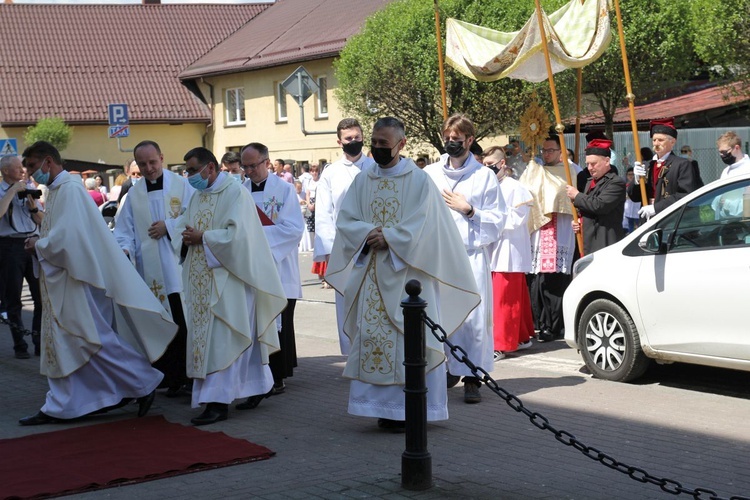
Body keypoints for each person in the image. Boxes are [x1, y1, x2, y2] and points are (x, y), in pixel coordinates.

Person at [326, 117, 479, 430]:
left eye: (385, 143)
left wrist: (391, 238)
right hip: (372, 275)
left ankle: (411, 409)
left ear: (402, 144)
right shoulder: (363, 179)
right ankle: (381, 408)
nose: (378, 149)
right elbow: (347, 219)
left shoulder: (419, 181)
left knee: (409, 341)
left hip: (410, 278)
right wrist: (369, 232)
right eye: (376, 143)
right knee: (373, 338)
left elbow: (428, 228)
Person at [19, 141, 177, 426]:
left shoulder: (69, 190)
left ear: (48, 163)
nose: (30, 173)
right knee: (73, 342)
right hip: (65, 277)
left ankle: (143, 381)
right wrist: (41, 239)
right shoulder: (57, 189)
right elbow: (58, 231)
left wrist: (39, 244)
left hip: (79, 279)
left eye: (32, 166)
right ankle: (66, 403)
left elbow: (69, 238)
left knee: (92, 340)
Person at [175, 147, 287, 425]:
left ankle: (218, 403)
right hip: (204, 281)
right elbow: (186, 227)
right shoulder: (199, 196)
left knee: (223, 340)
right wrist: (185, 236)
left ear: (210, 168)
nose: (189, 176)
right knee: (219, 340)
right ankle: (257, 385)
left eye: (192, 170)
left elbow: (241, 238)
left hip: (230, 280)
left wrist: (204, 237)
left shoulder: (235, 193)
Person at [424, 114, 505, 403]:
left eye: (456, 141)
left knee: (473, 319)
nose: (451, 144)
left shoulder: (483, 176)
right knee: (444, 315)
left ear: (470, 140)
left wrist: (469, 209)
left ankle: (473, 376)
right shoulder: (431, 174)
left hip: (470, 256)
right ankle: (450, 366)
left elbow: (498, 221)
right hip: (440, 256)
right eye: (447, 140)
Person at [114, 140, 194, 397]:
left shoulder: (184, 186)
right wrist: (124, 249)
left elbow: (196, 216)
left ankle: (191, 376)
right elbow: (123, 231)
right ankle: (170, 377)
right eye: (143, 164)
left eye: (153, 162)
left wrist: (169, 228)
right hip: (151, 276)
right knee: (161, 325)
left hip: (179, 270)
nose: (149, 168)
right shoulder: (133, 196)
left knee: (184, 324)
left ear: (162, 157)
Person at [241, 142, 304, 396]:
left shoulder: (285, 190)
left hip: (280, 268)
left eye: (253, 165)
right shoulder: (239, 192)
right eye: (245, 167)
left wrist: (256, 240)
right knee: (257, 323)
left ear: (266, 162)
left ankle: (278, 375)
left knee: (280, 323)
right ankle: (258, 374)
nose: (248, 171)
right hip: (251, 268)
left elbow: (292, 229)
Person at [314, 118, 376, 354]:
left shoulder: (375, 167)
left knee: (374, 298)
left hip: (374, 242)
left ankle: (374, 349)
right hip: (345, 247)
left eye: (357, 137)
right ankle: (351, 353)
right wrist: (331, 250)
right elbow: (324, 213)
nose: (354, 142)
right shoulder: (331, 173)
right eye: (349, 138)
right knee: (346, 301)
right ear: (339, 141)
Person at [520, 135, 577, 343]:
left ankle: (556, 325)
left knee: (555, 280)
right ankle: (540, 323)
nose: (546, 154)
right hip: (539, 230)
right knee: (538, 280)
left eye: (550, 150)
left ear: (561, 152)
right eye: (544, 150)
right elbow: (522, 194)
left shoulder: (572, 171)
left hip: (560, 230)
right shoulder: (534, 170)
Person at [483, 146, 534, 361]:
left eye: (489, 165)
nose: (486, 169)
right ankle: (522, 336)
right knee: (512, 298)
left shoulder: (515, 188)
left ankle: (501, 344)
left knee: (504, 301)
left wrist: (490, 218)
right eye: (484, 165)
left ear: (502, 163)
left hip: (508, 251)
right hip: (493, 248)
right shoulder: (488, 186)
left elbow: (517, 219)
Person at [0, 155, 43, 359]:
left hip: (32, 244)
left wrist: (33, 205)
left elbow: (43, 220)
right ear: (6, 171)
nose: (22, 171)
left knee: (40, 297)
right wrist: (11, 192)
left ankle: (39, 342)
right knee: (13, 299)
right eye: (18, 168)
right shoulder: (3, 190)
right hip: (9, 246)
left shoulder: (29, 188)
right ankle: (20, 345)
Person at [629, 118, 703, 219]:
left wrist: (656, 208)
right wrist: (637, 181)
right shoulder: (647, 165)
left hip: (670, 219)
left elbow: (685, 195)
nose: (656, 143)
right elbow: (634, 197)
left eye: (660, 140)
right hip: (648, 219)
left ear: (672, 142)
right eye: (654, 140)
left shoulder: (682, 164)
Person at [565, 139, 626, 255]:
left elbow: (599, 205)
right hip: (588, 239)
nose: (589, 168)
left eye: (593, 164)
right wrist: (579, 220)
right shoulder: (589, 181)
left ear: (607, 161)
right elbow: (586, 209)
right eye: (587, 164)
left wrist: (577, 195)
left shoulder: (616, 183)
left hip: (604, 241)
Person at [305, 164, 321, 264]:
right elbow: (307, 194)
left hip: (318, 202)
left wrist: (315, 204)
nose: (314, 173)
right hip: (310, 203)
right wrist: (309, 204)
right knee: (311, 226)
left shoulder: (320, 181)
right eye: (312, 171)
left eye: (316, 171)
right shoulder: (309, 182)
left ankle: (318, 245)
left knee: (318, 225)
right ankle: (314, 245)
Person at [623, 167, 641, 234]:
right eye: (629, 174)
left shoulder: (638, 184)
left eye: (632, 174)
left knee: (639, 226)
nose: (630, 176)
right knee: (630, 226)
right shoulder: (625, 185)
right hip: (628, 210)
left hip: (637, 210)